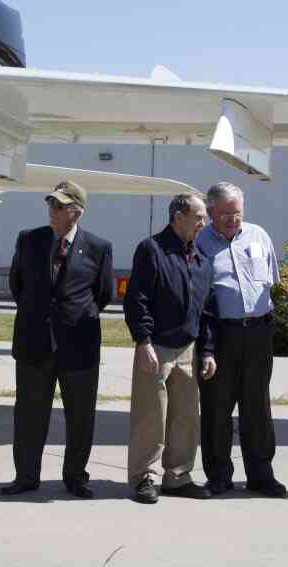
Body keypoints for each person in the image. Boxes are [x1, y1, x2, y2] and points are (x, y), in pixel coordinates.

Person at [2, 181, 113, 498]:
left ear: (76, 212)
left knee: (80, 416)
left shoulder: (98, 247)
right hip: (34, 342)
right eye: (50, 204)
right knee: (29, 414)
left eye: (59, 206)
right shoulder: (29, 239)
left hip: (78, 345)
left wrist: (71, 316)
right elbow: (17, 285)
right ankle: (26, 476)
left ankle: (75, 477)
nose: (52, 210)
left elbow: (103, 294)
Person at [124, 193, 218, 504]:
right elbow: (137, 300)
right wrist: (143, 341)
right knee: (151, 416)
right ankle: (144, 477)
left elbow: (207, 310)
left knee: (186, 418)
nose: (204, 223)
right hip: (156, 348)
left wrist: (207, 351)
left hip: (188, 349)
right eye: (199, 217)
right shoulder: (152, 250)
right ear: (178, 217)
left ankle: (178, 476)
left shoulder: (201, 258)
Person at [196, 182, 286, 497]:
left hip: (258, 331)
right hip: (221, 334)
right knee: (217, 407)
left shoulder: (259, 236)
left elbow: (270, 282)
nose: (232, 219)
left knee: (257, 406)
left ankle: (261, 474)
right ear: (210, 211)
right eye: (224, 214)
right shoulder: (200, 242)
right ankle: (219, 476)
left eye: (236, 213)